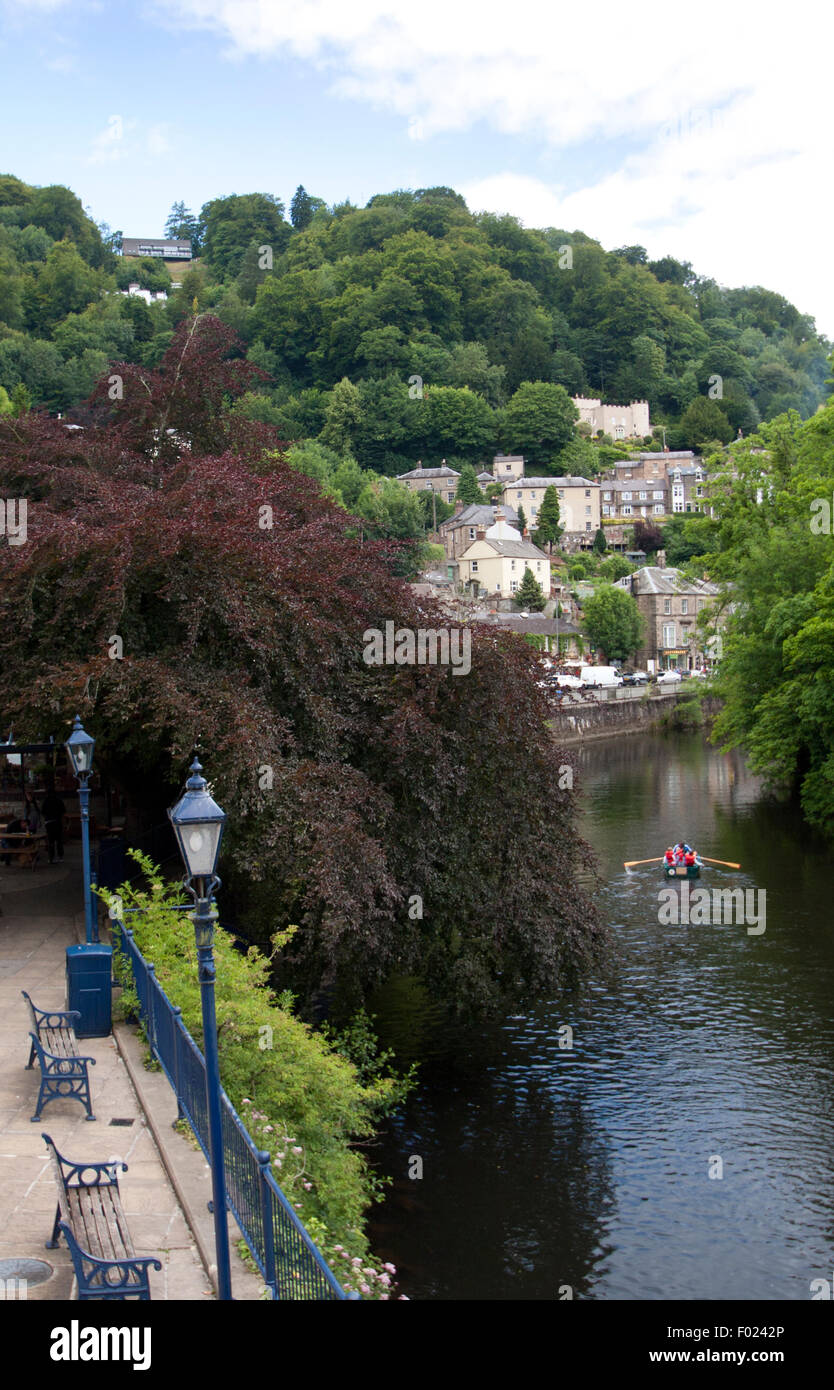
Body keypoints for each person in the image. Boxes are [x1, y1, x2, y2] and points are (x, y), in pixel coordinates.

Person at [40, 786, 66, 864]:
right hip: (57, 822)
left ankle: (51, 858)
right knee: (59, 841)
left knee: (50, 841)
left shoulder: (45, 801)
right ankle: (60, 857)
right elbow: (63, 811)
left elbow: (42, 812)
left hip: (49, 823)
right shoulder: (59, 800)